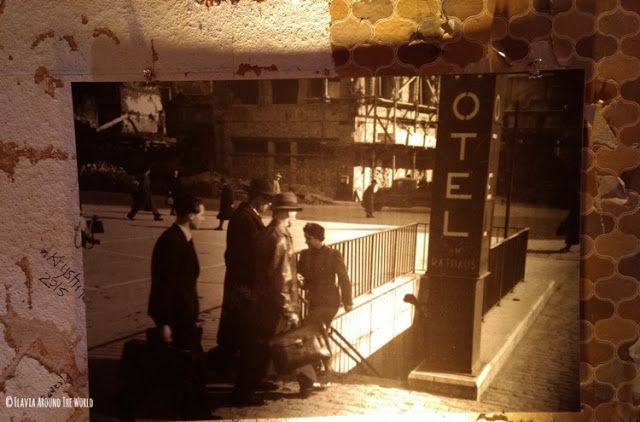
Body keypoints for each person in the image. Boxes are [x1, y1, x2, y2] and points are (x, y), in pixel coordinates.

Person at [233, 192, 314, 403]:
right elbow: (280, 275)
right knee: (280, 344)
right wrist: (288, 308)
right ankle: (243, 392)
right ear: (287, 212)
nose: (295, 215)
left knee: (263, 346)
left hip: (264, 300)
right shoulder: (280, 236)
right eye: (294, 211)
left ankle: (304, 381)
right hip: (275, 303)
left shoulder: (268, 232)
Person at [146, 194, 210, 419]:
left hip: (184, 315)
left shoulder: (184, 238)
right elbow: (165, 285)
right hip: (175, 317)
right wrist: (163, 322)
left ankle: (195, 409)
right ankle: (196, 411)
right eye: (201, 214)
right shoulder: (172, 242)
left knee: (190, 365)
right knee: (190, 365)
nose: (204, 218)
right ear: (190, 215)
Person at [211, 178, 274, 379]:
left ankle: (222, 367)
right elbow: (244, 255)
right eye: (266, 199)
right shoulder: (244, 218)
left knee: (236, 329)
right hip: (243, 285)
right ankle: (219, 368)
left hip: (242, 284)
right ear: (257, 198)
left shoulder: (247, 215)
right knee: (239, 328)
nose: (268, 204)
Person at [298, 222, 353, 388]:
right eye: (306, 238)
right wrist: (300, 281)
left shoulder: (333, 254)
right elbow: (302, 275)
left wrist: (348, 301)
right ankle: (323, 370)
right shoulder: (304, 254)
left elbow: (343, 278)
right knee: (320, 333)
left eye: (309, 238)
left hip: (329, 301)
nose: (306, 241)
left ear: (317, 238)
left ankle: (324, 369)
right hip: (314, 300)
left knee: (315, 331)